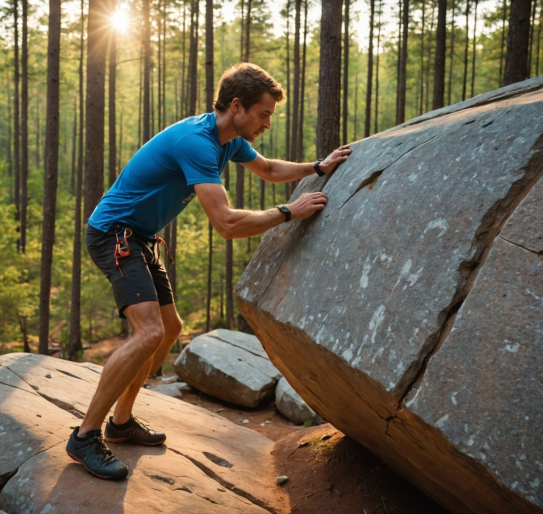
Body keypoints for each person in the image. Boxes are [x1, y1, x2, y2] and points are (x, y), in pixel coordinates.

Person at [66, 62, 352, 479]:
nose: (267, 122)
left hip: (139, 237)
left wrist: (317, 168)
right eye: (264, 113)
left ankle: (121, 422)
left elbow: (269, 170)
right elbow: (227, 224)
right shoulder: (197, 142)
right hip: (114, 234)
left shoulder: (228, 139)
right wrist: (290, 211)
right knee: (148, 333)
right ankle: (85, 436)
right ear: (236, 106)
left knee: (170, 329)